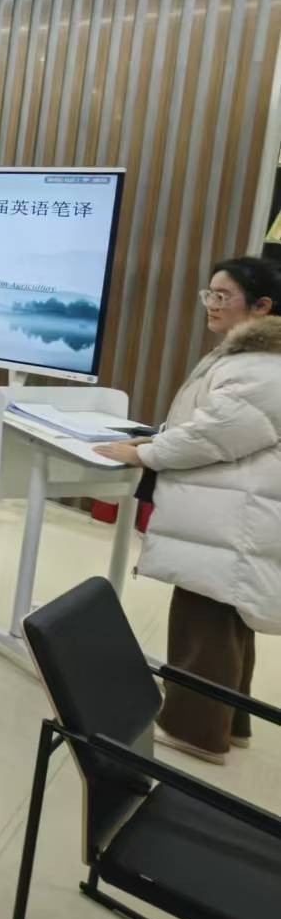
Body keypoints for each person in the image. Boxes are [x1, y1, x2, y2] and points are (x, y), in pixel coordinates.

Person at [94, 256, 281, 763]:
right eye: (209, 294)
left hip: (232, 515)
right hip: (235, 512)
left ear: (261, 306)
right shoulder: (251, 356)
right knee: (227, 618)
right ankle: (229, 724)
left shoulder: (260, 365)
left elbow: (214, 435)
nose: (211, 305)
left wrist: (147, 453)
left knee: (205, 618)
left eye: (224, 296)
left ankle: (194, 732)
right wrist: (157, 441)